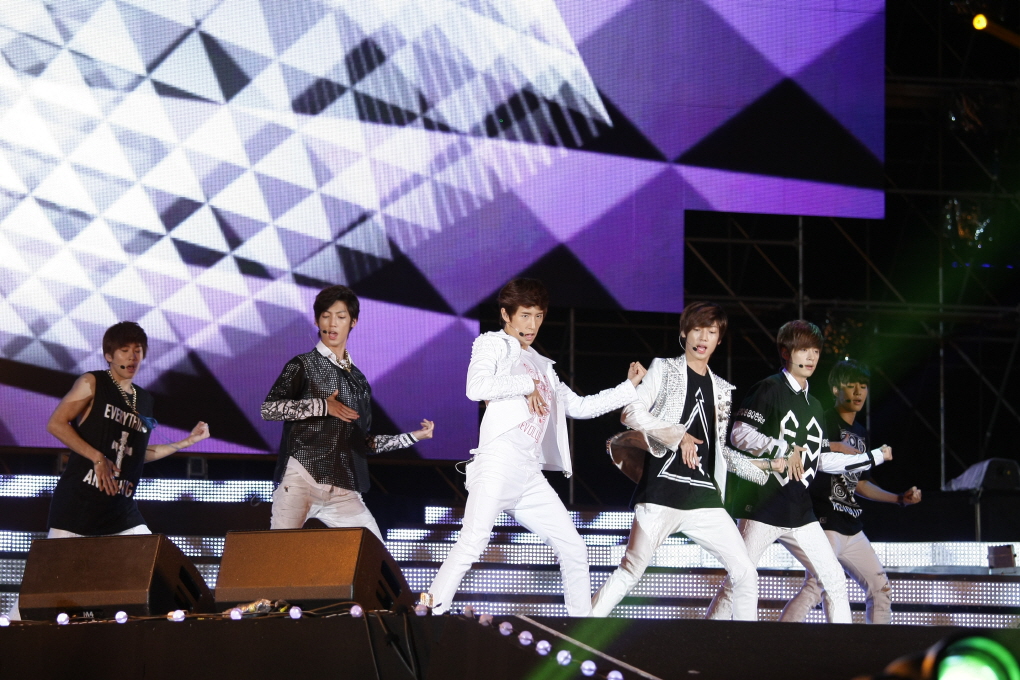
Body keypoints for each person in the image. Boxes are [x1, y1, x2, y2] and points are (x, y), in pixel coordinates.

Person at [422, 278, 645, 616]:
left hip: (528, 473)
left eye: (538, 316)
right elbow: (475, 386)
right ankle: (429, 611)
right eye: (525, 315)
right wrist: (526, 384)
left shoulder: (543, 365)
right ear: (506, 315)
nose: (532, 325)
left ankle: (579, 629)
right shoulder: (492, 343)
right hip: (498, 462)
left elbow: (580, 406)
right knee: (473, 542)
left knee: (574, 548)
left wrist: (627, 388)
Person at [591, 302, 785, 620]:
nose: (703, 338)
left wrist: (767, 468)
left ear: (719, 339)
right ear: (684, 333)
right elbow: (630, 412)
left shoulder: (721, 390)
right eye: (697, 329)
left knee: (745, 572)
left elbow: (718, 452)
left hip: (704, 499)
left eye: (711, 332)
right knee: (630, 570)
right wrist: (676, 435)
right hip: (662, 494)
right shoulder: (664, 369)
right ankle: (578, 625)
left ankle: (746, 643)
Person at [7, 321, 210, 621]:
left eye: (137, 351)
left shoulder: (145, 400)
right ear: (109, 355)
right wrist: (97, 457)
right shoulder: (93, 382)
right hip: (80, 504)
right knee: (44, 586)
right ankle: (10, 630)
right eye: (124, 350)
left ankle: (176, 628)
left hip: (120, 509)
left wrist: (187, 442)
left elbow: (140, 455)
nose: (132, 357)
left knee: (156, 566)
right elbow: (56, 423)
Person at [706, 320, 892, 623]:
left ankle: (841, 649)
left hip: (800, 511)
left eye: (815, 351)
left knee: (834, 580)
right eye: (803, 350)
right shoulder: (769, 389)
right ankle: (706, 640)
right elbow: (739, 434)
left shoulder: (815, 405)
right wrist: (781, 448)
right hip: (763, 507)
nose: (811, 357)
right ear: (785, 352)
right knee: (738, 581)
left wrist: (873, 457)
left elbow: (821, 460)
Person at [261, 285, 434, 541]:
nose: (332, 323)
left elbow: (363, 443)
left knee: (374, 553)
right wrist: (323, 405)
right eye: (325, 316)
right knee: (278, 555)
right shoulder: (303, 365)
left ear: (353, 322)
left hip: (342, 490)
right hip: (300, 482)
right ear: (317, 320)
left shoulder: (359, 381)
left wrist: (412, 437)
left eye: (340, 317)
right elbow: (269, 409)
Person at [780, 359, 921, 624]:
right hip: (823, 523)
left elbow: (861, 483)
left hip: (851, 527)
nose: (858, 392)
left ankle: (875, 647)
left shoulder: (860, 432)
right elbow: (803, 453)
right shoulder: (821, 419)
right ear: (836, 389)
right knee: (817, 586)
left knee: (880, 589)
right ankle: (776, 640)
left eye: (863, 386)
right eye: (851, 385)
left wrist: (899, 499)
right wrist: (835, 447)